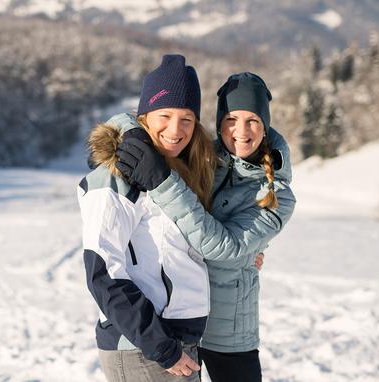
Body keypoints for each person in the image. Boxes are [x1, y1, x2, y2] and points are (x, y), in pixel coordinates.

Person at [114, 72, 296, 382]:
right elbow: (146, 122)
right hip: (179, 318)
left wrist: (163, 183)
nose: (241, 131)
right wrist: (131, 133)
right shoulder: (201, 157)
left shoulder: (276, 194)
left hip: (228, 333)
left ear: (265, 126)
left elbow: (225, 248)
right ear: (219, 122)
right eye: (231, 119)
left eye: (252, 120)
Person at [77, 54, 217, 382]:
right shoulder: (116, 177)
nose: (176, 129)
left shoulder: (175, 174)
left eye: (187, 118)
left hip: (176, 344)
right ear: (144, 117)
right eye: (164, 115)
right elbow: (103, 272)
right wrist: (161, 346)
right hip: (145, 348)